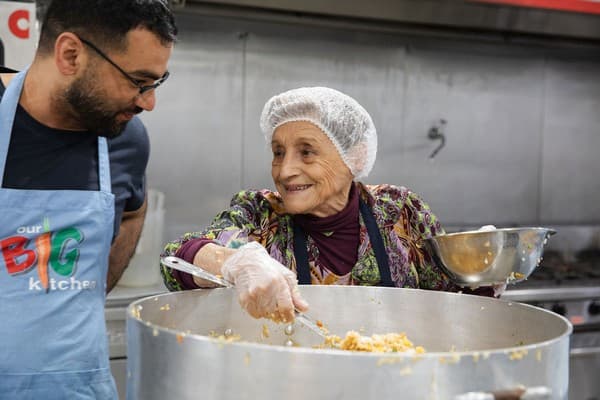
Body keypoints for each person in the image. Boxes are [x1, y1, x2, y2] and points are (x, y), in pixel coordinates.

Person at [161, 86, 495, 324]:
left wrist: (483, 270)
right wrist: (234, 261)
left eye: (306, 151)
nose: (285, 169)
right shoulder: (259, 213)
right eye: (278, 152)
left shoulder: (400, 211)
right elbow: (175, 260)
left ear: (355, 156)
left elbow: (453, 303)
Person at [0, 0, 177, 398]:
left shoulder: (126, 139)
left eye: (156, 84)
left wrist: (87, 292)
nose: (148, 102)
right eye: (138, 81)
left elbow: (134, 212)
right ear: (70, 54)